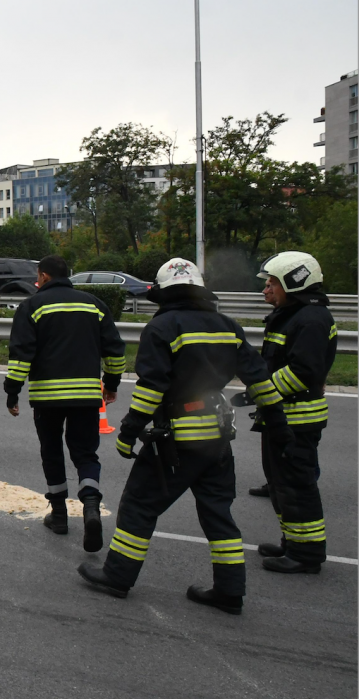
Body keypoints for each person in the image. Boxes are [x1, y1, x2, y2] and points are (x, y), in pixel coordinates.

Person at [78, 258, 292, 615]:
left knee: (139, 506)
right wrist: (279, 425)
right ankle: (229, 590)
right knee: (218, 514)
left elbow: (152, 389)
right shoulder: (228, 325)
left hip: (177, 439)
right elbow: (261, 381)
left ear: (163, 292)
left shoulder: (163, 326)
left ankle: (117, 576)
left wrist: (128, 432)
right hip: (218, 437)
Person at [5, 254, 126, 552]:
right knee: (86, 453)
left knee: (52, 451)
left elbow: (21, 355)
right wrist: (110, 385)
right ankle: (91, 507)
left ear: (44, 276)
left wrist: (12, 392)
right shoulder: (94, 305)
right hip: (86, 396)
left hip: (47, 397)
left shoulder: (31, 307)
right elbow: (115, 349)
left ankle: (59, 515)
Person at [248, 252, 336, 574]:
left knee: (297, 486)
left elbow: (303, 372)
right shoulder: (291, 315)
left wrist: (260, 391)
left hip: (298, 419)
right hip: (281, 417)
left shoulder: (311, 319)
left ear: (293, 282)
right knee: (280, 484)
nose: (266, 290)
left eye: (272, 284)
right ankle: (292, 541)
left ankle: (307, 554)